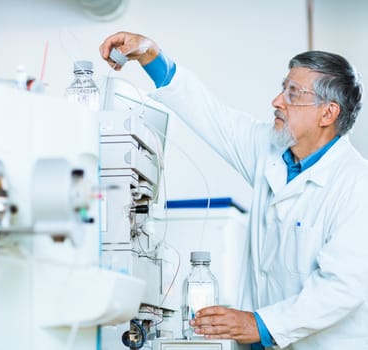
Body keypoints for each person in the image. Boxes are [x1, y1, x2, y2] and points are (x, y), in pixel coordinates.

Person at [99, 32, 368, 350]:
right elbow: (213, 117)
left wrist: (261, 324)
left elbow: (344, 286)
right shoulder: (270, 148)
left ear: (328, 113)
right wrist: (150, 55)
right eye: (283, 88)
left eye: (293, 94)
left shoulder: (355, 184)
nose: (277, 101)